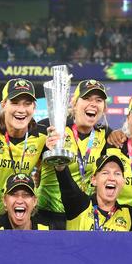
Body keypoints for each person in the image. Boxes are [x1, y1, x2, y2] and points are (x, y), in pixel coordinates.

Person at [0, 78, 48, 217]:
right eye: (15, 103)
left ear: (34, 107)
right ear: (3, 105)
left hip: (15, 215)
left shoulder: (42, 136)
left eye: (27, 104)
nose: (21, 110)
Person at [36, 79, 111, 216]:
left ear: (104, 108)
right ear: (74, 103)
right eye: (87, 98)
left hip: (81, 216)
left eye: (99, 100)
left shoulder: (106, 135)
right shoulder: (51, 126)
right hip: (46, 213)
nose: (93, 104)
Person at [55, 154, 132, 231]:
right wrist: (60, 163)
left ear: (123, 182)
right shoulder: (80, 205)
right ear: (94, 180)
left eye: (117, 174)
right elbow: (66, 184)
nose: (112, 178)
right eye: (105, 173)